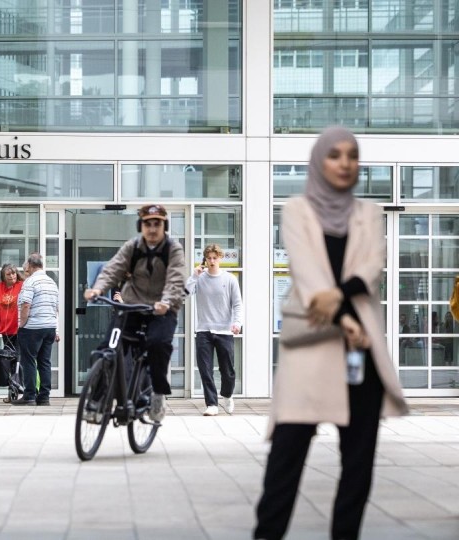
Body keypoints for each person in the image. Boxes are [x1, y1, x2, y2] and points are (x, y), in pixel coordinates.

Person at [254, 127, 408, 540]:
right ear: (319, 161)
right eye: (335, 155)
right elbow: (308, 273)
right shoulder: (296, 209)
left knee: (358, 467)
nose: (345, 163)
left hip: (361, 353)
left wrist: (337, 303)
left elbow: (369, 269)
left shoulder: (370, 214)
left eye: (352, 155)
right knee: (286, 457)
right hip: (312, 350)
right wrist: (345, 318)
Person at [83, 203, 187, 422]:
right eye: (147, 224)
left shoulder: (173, 249)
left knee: (158, 345)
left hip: (162, 309)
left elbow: (176, 279)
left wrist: (166, 302)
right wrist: (97, 288)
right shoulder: (133, 247)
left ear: (164, 225)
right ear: (141, 225)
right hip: (132, 306)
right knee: (108, 349)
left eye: (157, 224)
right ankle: (97, 402)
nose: (152, 229)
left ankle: (157, 394)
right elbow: (112, 269)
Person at [185, 244, 243, 416]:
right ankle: (212, 404)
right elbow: (184, 294)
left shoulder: (230, 279)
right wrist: (193, 277)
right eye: (208, 258)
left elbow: (238, 304)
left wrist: (237, 323)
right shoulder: (200, 278)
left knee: (228, 370)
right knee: (205, 369)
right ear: (205, 259)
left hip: (224, 331)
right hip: (204, 330)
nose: (211, 261)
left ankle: (227, 394)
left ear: (220, 258)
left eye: (214, 258)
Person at [12, 253, 60, 406]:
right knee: (44, 362)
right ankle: (44, 397)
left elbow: (26, 304)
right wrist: (56, 328)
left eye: (26, 269)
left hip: (33, 327)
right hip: (49, 327)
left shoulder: (30, 282)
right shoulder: (52, 282)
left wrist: (22, 325)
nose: (26, 272)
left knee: (29, 361)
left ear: (31, 267)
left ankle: (30, 395)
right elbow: (56, 308)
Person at [0, 263, 24, 352]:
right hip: (5, 330)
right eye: (8, 274)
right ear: (3, 276)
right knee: (9, 356)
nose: (12, 276)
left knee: (18, 357)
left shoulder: (22, 285)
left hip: (19, 329)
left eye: (13, 273)